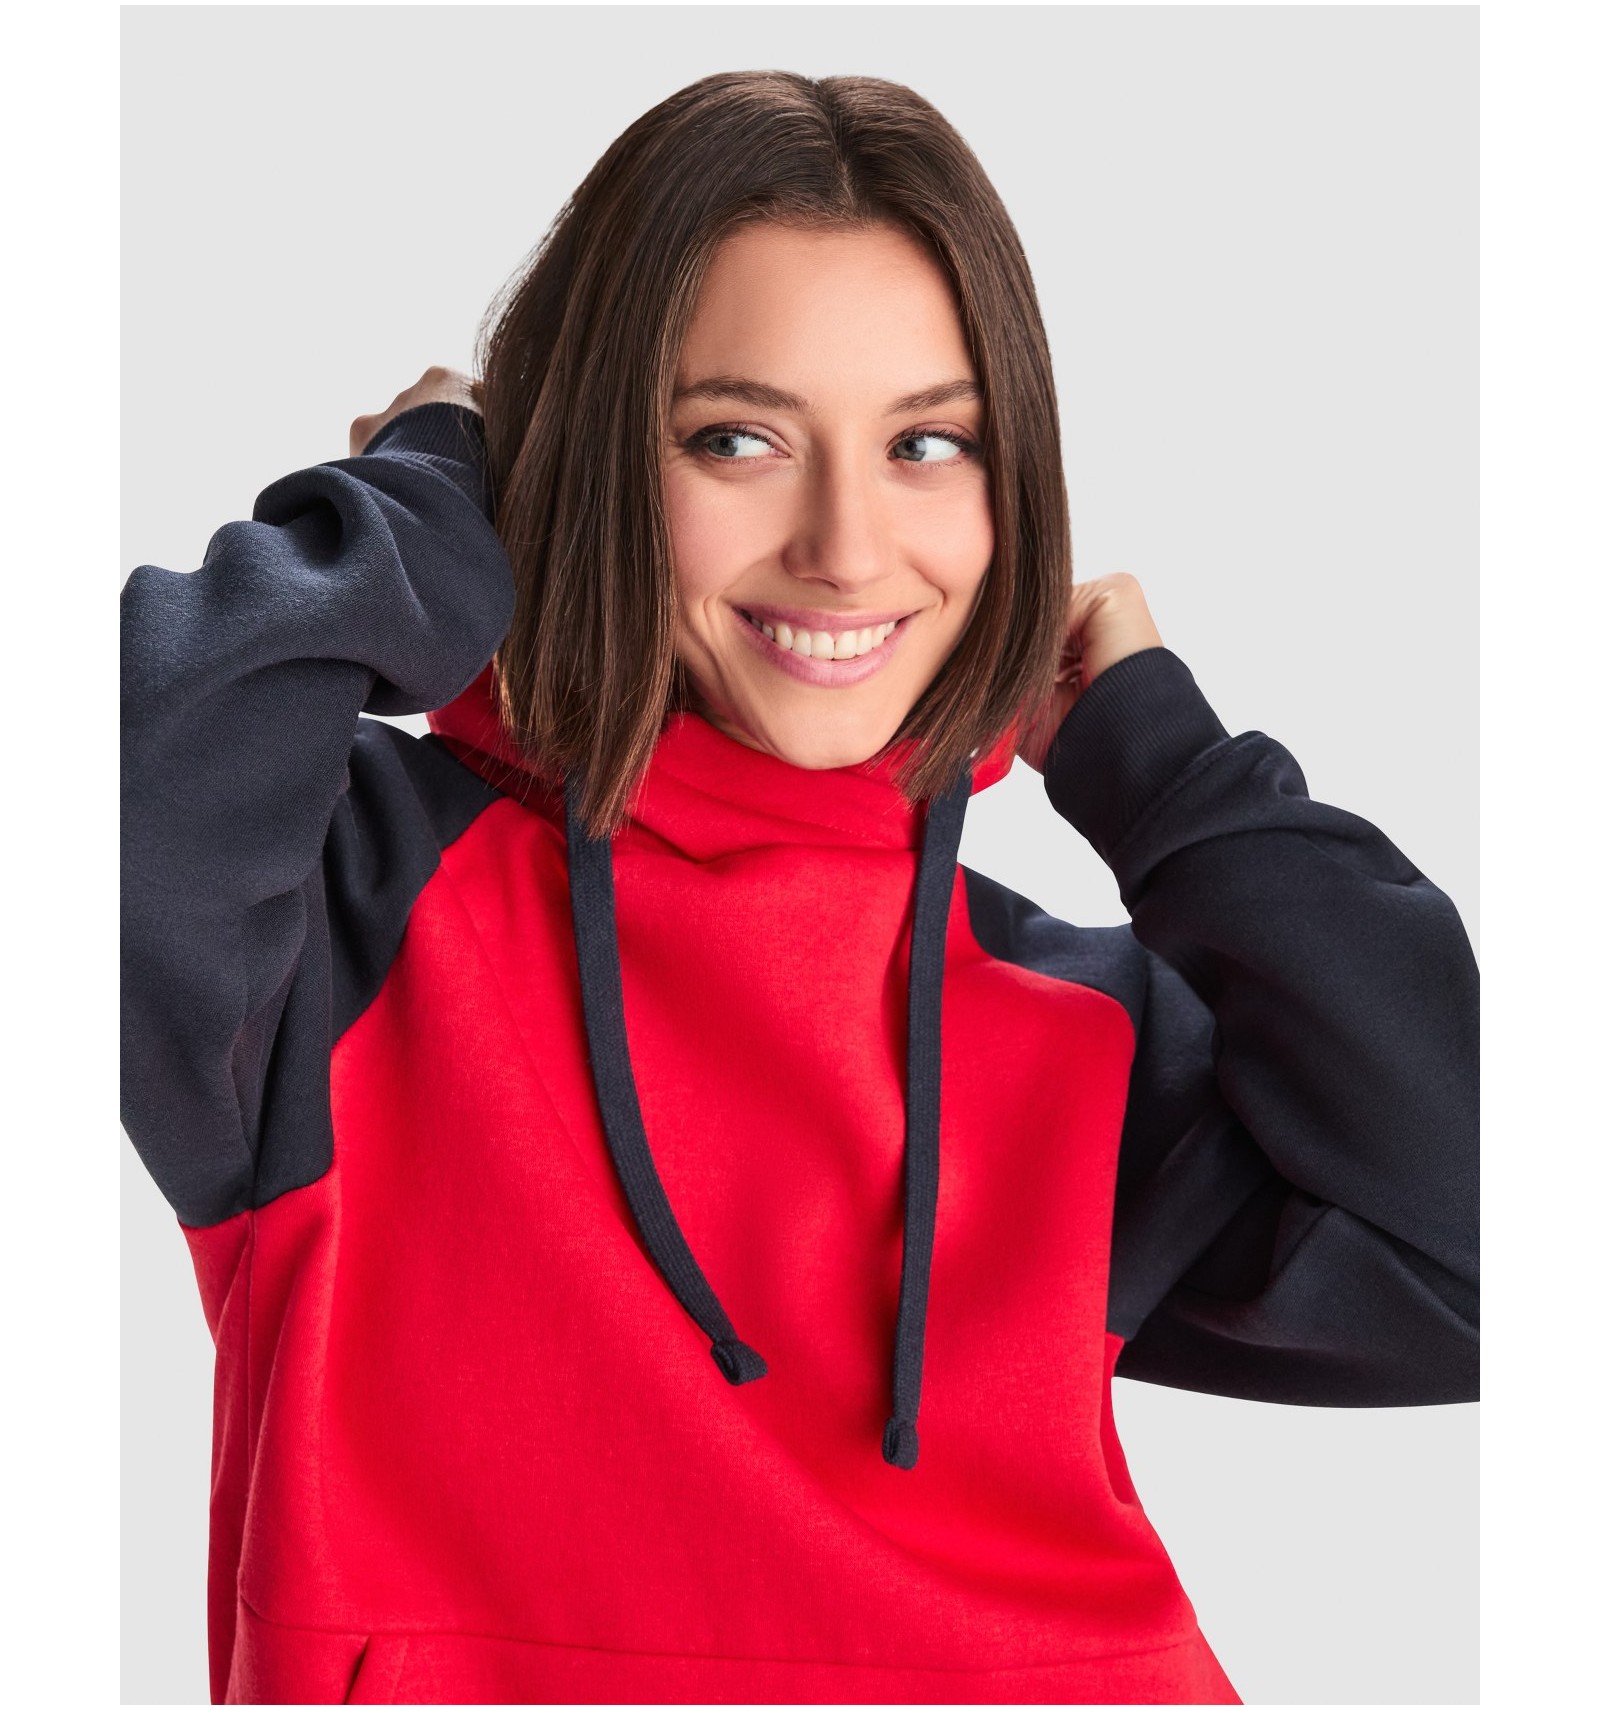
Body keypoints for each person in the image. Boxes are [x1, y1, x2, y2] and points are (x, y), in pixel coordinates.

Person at [121, 71, 1478, 1707]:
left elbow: (1484, 1255)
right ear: (581, 462)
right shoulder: (340, 926)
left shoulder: (1071, 1024)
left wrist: (1172, 777)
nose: (846, 544)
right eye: (737, 438)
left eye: (927, 443)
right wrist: (430, 505)